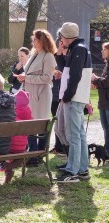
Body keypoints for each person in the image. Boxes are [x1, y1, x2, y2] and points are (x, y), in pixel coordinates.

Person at [55, 22, 92, 183]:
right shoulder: (77, 48)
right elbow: (67, 71)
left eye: (61, 36)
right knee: (79, 135)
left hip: (74, 98)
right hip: (75, 98)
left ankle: (73, 171)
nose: (60, 38)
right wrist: (60, 53)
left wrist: (68, 95)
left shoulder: (78, 49)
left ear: (66, 36)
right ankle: (82, 169)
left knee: (74, 135)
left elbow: (75, 76)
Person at [16, 29, 57, 166]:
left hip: (41, 95)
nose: (33, 42)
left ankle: (38, 154)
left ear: (42, 41)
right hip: (30, 93)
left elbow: (47, 78)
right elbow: (28, 73)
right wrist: (23, 78)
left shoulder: (48, 56)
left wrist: (27, 77)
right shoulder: (34, 54)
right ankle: (32, 153)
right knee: (31, 123)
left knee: (40, 124)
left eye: (35, 39)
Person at [1, 90, 33, 183]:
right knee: (17, 148)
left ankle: (8, 169)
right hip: (22, 147)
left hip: (10, 146)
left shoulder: (13, 113)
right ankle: (16, 162)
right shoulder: (28, 114)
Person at [50, 33, 68, 156]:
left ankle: (62, 146)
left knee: (63, 122)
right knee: (56, 120)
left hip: (63, 93)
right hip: (54, 91)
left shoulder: (67, 57)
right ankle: (57, 146)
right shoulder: (54, 57)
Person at [91, 42, 109, 158]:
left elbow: (106, 81)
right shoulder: (107, 64)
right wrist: (96, 83)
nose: (102, 51)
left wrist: (95, 79)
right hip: (103, 102)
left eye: (104, 49)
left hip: (108, 103)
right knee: (106, 128)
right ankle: (107, 151)